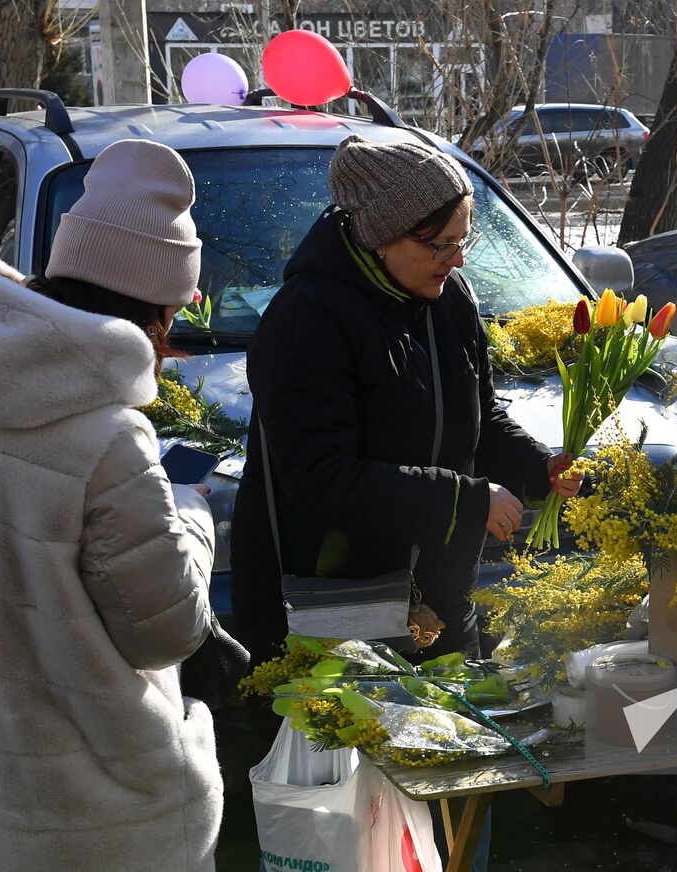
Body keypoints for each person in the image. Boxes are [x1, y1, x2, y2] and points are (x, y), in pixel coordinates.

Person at [0, 139, 223, 869]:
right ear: (155, 311)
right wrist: (191, 519)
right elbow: (167, 629)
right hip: (102, 810)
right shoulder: (108, 437)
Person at [231, 134, 581, 666]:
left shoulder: (449, 298)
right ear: (381, 239)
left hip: (440, 600)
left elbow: (478, 418)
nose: (456, 259)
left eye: (463, 240)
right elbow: (320, 477)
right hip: (334, 611)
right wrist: (464, 501)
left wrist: (539, 467)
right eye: (438, 245)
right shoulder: (309, 319)